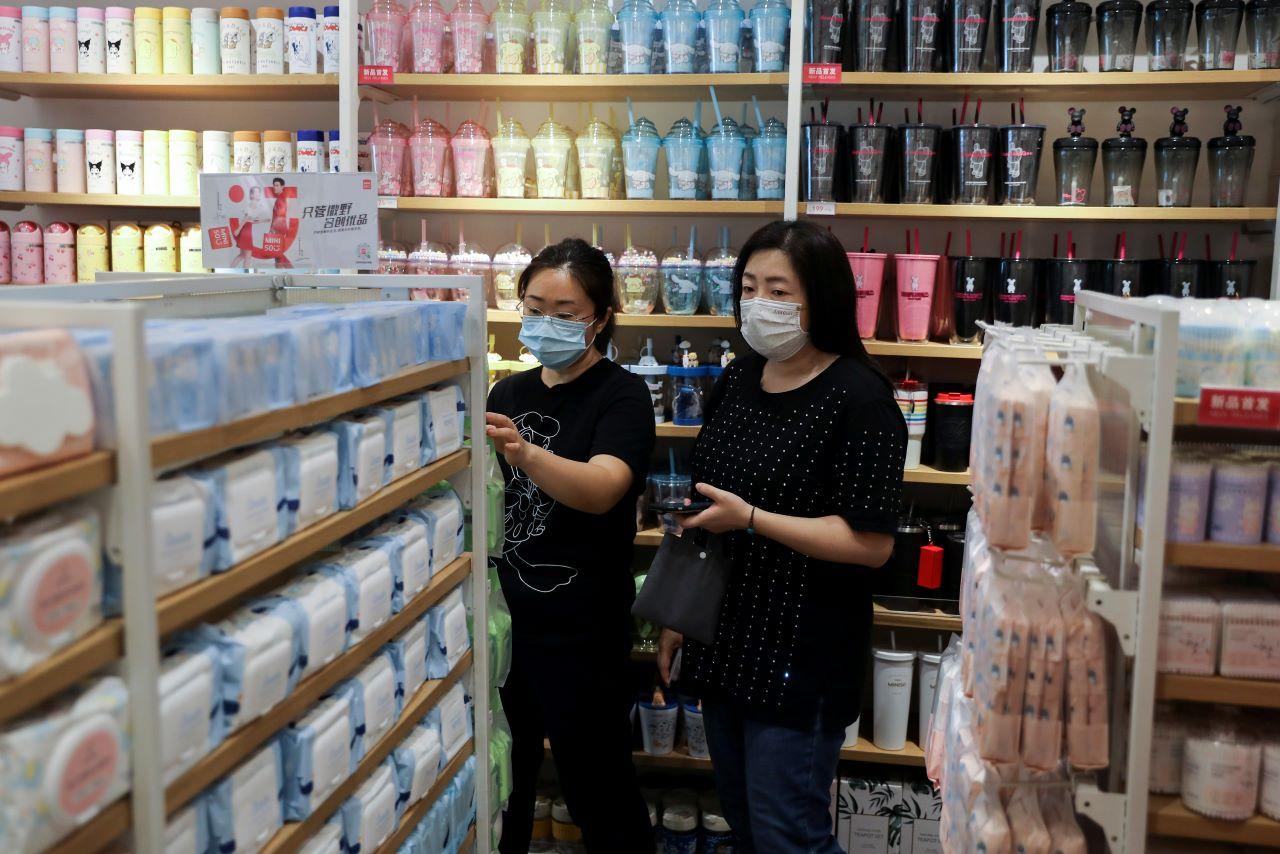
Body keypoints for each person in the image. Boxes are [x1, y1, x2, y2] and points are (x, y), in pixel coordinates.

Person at [657, 220, 907, 853]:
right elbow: (704, 504)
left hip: (801, 656)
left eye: (778, 290)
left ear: (820, 298)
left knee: (789, 837)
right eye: (748, 286)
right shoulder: (740, 379)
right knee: (745, 826)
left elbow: (870, 542)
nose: (758, 303)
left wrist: (753, 518)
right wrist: (673, 614)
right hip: (725, 641)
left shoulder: (861, 398)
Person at [485, 238, 656, 853]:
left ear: (600, 318)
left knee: (599, 791)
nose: (545, 323)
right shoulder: (508, 394)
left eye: (565, 312)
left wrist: (525, 453)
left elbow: (604, 488)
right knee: (504, 787)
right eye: (534, 307)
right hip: (507, 629)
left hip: (584, 634)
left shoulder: (623, 396)